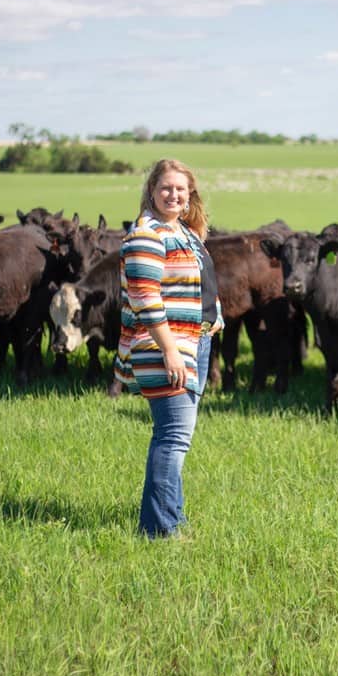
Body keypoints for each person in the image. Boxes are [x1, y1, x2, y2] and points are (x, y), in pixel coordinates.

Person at [115, 159, 222, 538]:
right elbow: (145, 298)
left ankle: (170, 520)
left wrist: (214, 319)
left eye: (181, 189)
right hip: (165, 346)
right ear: (152, 190)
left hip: (196, 342)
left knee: (176, 436)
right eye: (166, 188)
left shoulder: (186, 232)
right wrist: (170, 351)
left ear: (190, 192)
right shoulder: (147, 235)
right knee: (173, 437)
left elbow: (200, 284)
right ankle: (160, 530)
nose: (174, 195)